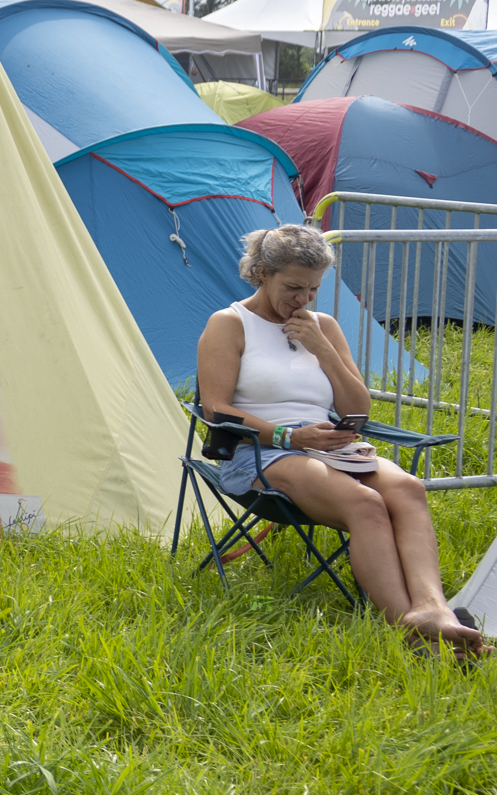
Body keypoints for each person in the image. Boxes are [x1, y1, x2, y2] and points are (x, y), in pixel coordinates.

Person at [197, 225, 481, 653]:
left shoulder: (322, 326)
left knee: (407, 487)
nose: (303, 299)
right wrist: (289, 435)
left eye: (312, 289)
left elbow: (358, 410)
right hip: (260, 450)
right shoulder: (230, 323)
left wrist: (323, 348)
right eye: (293, 287)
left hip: (328, 446)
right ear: (261, 272)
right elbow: (215, 408)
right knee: (365, 504)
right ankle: (411, 635)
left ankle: (432, 608)